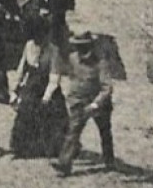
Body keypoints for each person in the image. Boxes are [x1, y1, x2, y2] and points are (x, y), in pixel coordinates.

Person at [48, 30, 118, 175]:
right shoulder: (73, 58)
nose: (80, 51)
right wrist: (72, 99)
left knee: (105, 132)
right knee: (73, 131)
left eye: (83, 47)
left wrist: (95, 104)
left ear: (90, 46)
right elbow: (74, 80)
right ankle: (64, 164)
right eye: (77, 47)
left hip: (100, 104)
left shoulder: (101, 62)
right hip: (79, 102)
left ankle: (109, 161)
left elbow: (107, 87)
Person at [9, 6, 68, 158]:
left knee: (51, 118)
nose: (36, 40)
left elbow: (55, 77)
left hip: (48, 88)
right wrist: (14, 90)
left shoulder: (53, 50)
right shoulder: (28, 46)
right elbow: (21, 69)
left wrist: (46, 97)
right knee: (25, 113)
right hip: (32, 86)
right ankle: (24, 149)